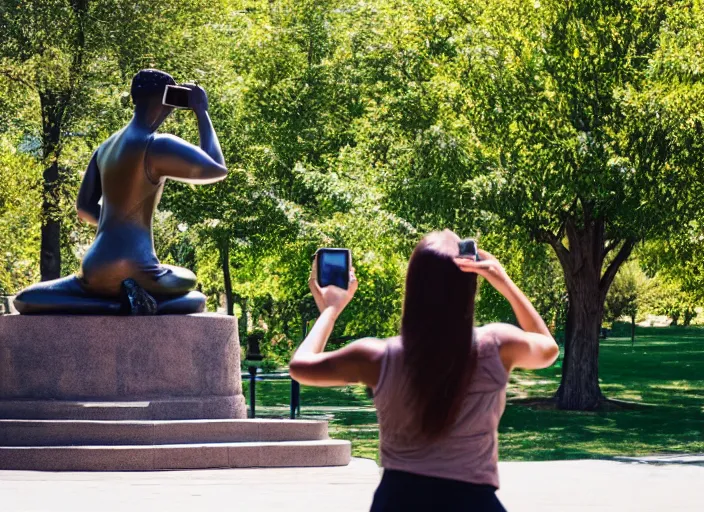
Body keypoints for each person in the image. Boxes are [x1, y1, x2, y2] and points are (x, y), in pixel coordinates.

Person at [288, 230, 559, 511]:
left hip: (399, 501)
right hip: (473, 502)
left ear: (413, 286)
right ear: (469, 286)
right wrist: (502, 280)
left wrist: (330, 309)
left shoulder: (377, 356)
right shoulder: (497, 345)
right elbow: (548, 348)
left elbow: (300, 366)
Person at [14, 69, 227, 315]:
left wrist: (114, 223)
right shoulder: (156, 143)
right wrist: (201, 111)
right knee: (193, 292)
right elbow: (217, 168)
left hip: (94, 268)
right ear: (166, 98)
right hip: (137, 268)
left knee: (25, 299)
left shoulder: (104, 148)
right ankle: (124, 305)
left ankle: (107, 305)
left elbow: (84, 209)